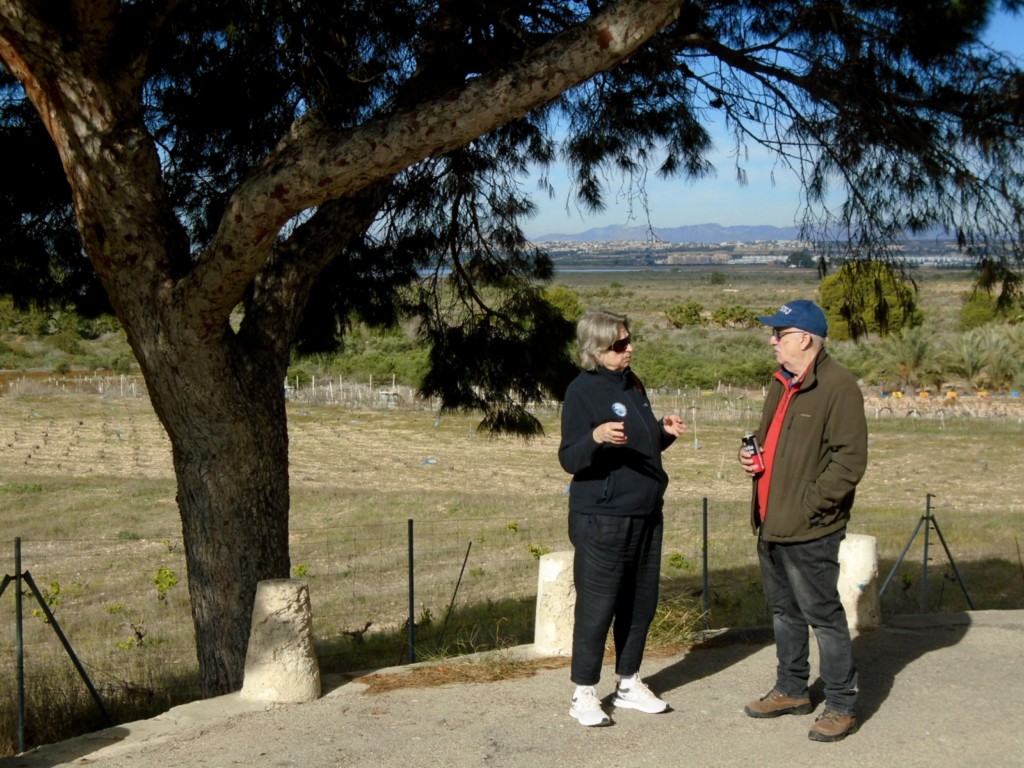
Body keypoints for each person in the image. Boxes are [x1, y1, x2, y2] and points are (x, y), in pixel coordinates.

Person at [738, 299, 868, 743]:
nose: (772, 341)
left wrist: (811, 505)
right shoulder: (782, 383)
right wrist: (752, 456)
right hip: (770, 521)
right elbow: (769, 439)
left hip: (811, 526)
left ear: (806, 339)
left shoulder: (838, 387)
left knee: (823, 616)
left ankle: (841, 704)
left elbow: (849, 462)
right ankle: (792, 689)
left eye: (780, 333)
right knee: (784, 611)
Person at [558, 309, 686, 727]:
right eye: (619, 344)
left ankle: (629, 683)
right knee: (598, 607)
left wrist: (662, 431)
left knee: (640, 603)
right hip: (602, 516)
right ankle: (584, 692)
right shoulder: (581, 391)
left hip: (646, 512)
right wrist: (595, 438)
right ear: (596, 349)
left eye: (629, 340)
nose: (629, 349)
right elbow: (569, 458)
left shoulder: (633, 383)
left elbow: (642, 446)